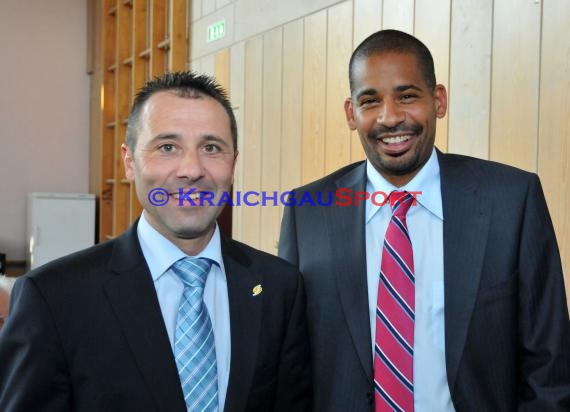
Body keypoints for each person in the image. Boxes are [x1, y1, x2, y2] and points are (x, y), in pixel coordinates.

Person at [279, 29, 570, 411]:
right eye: (370, 101)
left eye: (407, 96)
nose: (390, 117)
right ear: (351, 114)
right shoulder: (307, 210)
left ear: (438, 100)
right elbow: (289, 363)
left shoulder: (512, 201)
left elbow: (548, 368)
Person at [0, 72, 311, 411]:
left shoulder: (279, 288)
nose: (191, 170)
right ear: (129, 161)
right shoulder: (52, 298)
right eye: (167, 147)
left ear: (233, 164)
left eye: (211, 148)